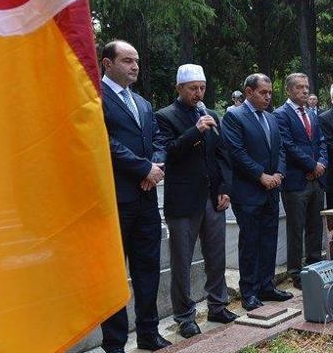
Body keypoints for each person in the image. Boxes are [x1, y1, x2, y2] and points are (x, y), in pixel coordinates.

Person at [155, 64, 238, 339]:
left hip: (212, 197)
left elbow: (222, 154)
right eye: (193, 89)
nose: (198, 93)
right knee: (182, 260)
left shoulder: (211, 113)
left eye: (202, 88)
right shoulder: (165, 116)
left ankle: (218, 305)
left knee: (216, 255)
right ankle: (185, 316)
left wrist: (225, 188)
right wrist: (195, 131)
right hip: (183, 201)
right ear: (179, 88)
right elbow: (168, 153)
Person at [99, 40, 171, 353]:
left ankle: (148, 333)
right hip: (115, 200)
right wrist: (144, 168)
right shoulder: (94, 97)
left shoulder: (141, 102)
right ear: (107, 63)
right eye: (127, 60)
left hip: (146, 199)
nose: (135, 66)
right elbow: (104, 141)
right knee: (113, 276)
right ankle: (114, 343)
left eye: (137, 61)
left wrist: (154, 166)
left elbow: (157, 137)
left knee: (147, 269)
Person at [221, 73, 292, 312]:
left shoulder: (271, 118)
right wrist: (261, 175)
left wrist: (279, 174)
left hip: (272, 189)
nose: (268, 97)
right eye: (263, 93)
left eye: (270, 93)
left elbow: (281, 149)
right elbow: (236, 152)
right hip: (249, 191)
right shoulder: (234, 116)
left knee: (269, 240)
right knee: (250, 242)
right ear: (249, 92)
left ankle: (266, 285)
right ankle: (249, 291)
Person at [274, 73, 327, 290]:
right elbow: (288, 145)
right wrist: (312, 165)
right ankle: (296, 273)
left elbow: (322, 141)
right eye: (299, 87)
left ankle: (314, 265)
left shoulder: (313, 113)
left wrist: (322, 163)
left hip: (317, 180)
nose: (305, 91)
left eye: (306, 87)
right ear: (288, 90)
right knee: (296, 229)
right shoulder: (280, 114)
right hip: (296, 182)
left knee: (315, 226)